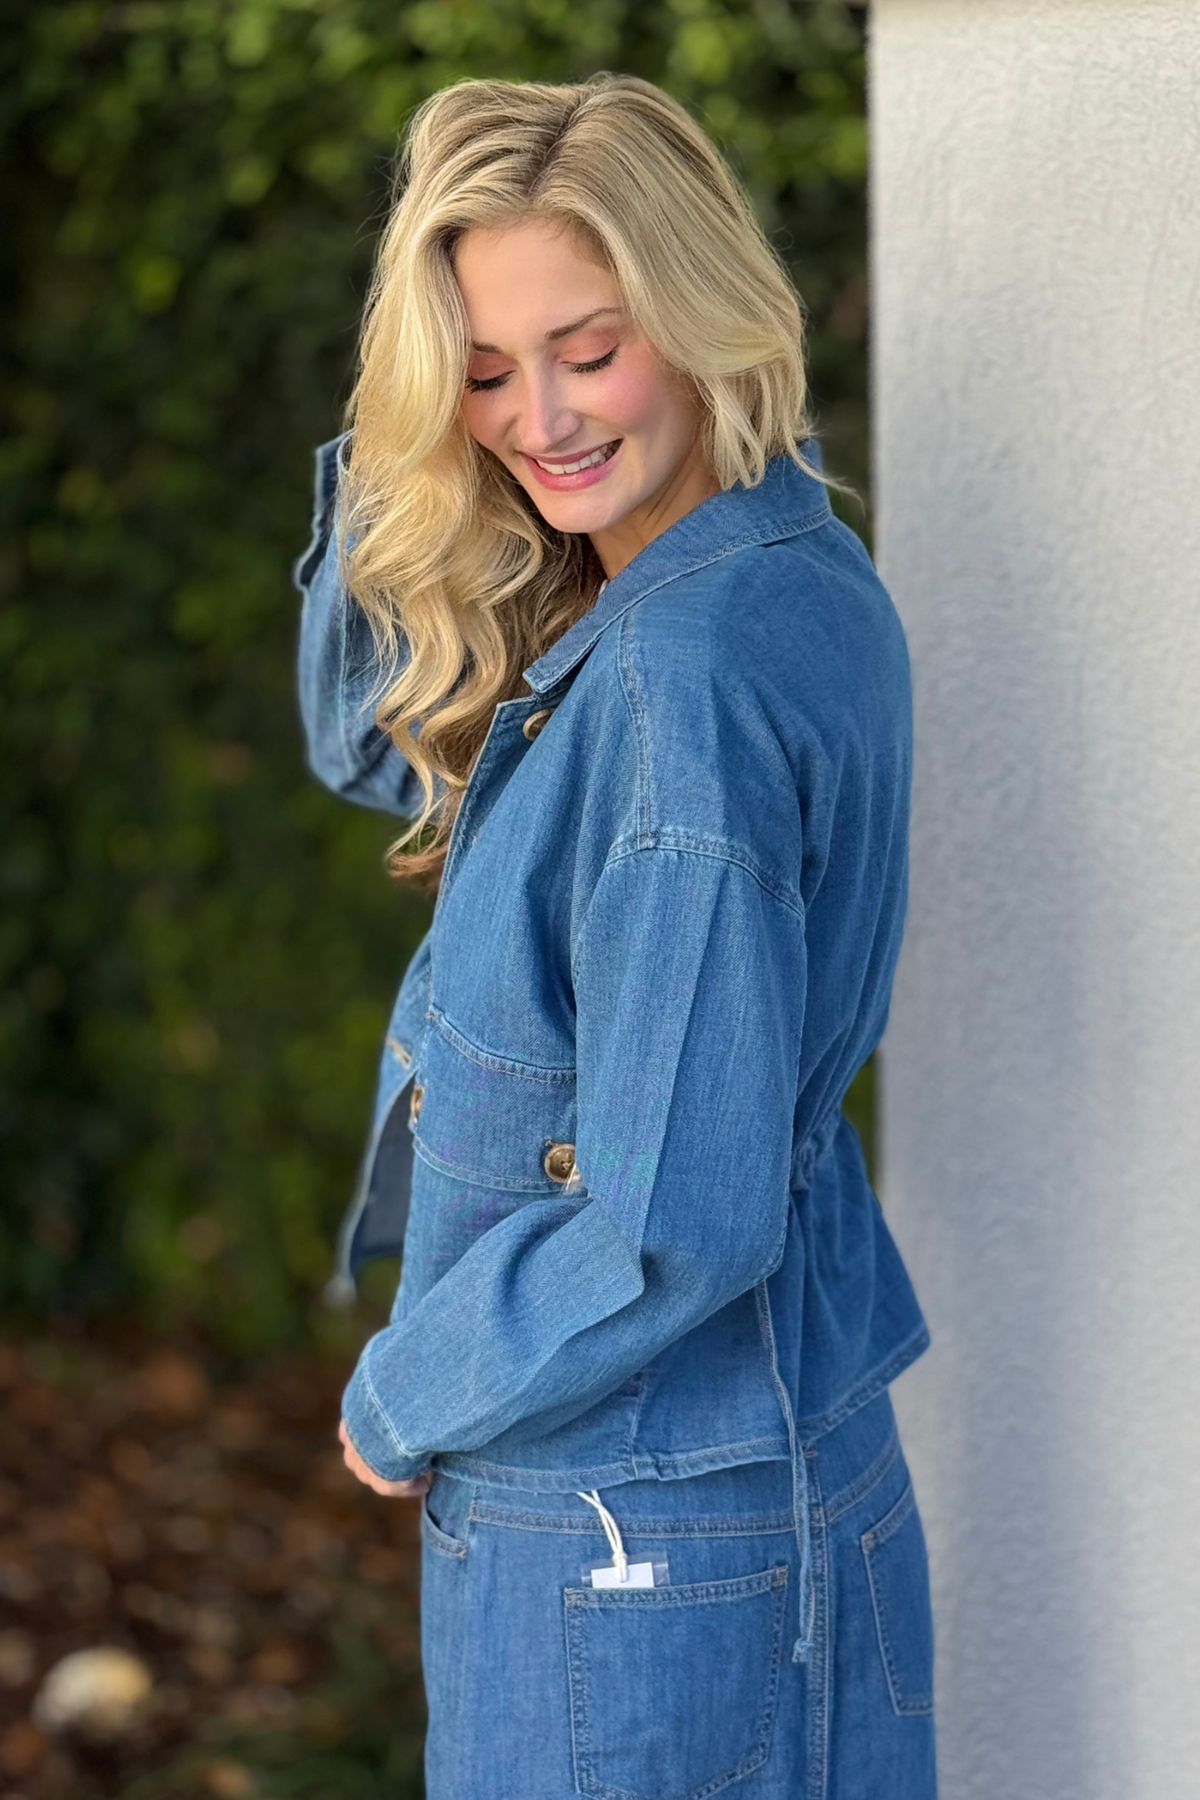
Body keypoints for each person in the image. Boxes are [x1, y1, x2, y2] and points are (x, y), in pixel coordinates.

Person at [294, 72, 936, 1800]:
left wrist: (405, 1394)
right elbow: (367, 735)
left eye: (588, 349)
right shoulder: (784, 559)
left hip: (628, 1533)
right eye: (482, 369)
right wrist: (409, 435)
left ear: (699, 305)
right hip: (768, 1478)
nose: (541, 419)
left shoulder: (674, 685)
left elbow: (671, 1224)